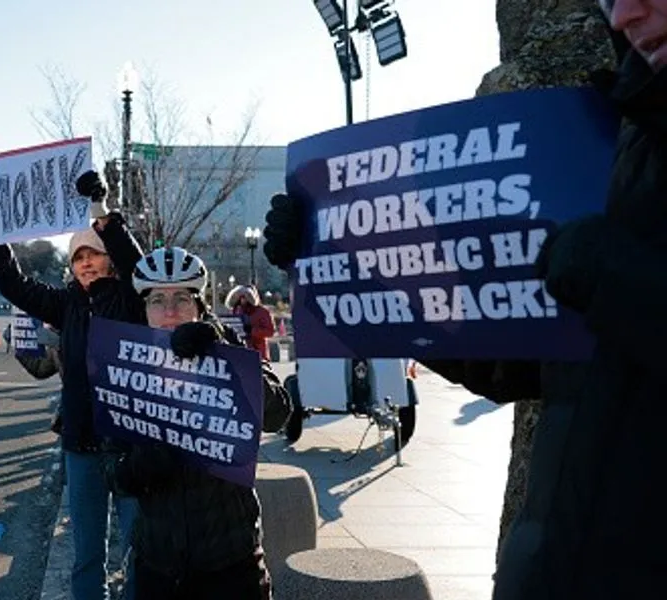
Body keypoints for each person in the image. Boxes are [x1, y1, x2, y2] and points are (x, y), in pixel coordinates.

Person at [261, 4, 667, 597]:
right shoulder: (624, 141)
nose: (627, 12)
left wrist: (620, 279)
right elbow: (512, 360)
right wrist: (338, 276)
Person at [0, 170, 145, 600]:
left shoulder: (133, 298)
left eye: (94, 254)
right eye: (77, 257)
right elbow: (15, 284)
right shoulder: (66, 303)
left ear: (109, 259)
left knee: (140, 550)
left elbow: (137, 265)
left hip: (132, 444)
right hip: (81, 444)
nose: (85, 262)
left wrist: (100, 212)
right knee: (87, 552)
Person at [107, 246, 291, 600]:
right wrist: (143, 464)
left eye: (182, 298)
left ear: (200, 305)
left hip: (231, 557)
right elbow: (113, 473)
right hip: (159, 562)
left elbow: (278, 413)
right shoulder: (126, 367)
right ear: (144, 310)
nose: (171, 311)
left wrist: (220, 356)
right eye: (157, 300)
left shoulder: (229, 343)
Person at [225, 285, 277, 361]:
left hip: (257, 351)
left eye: (245, 297)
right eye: (240, 297)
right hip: (238, 352)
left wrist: (252, 331)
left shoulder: (262, 312)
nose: (242, 300)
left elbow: (270, 331)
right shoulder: (235, 311)